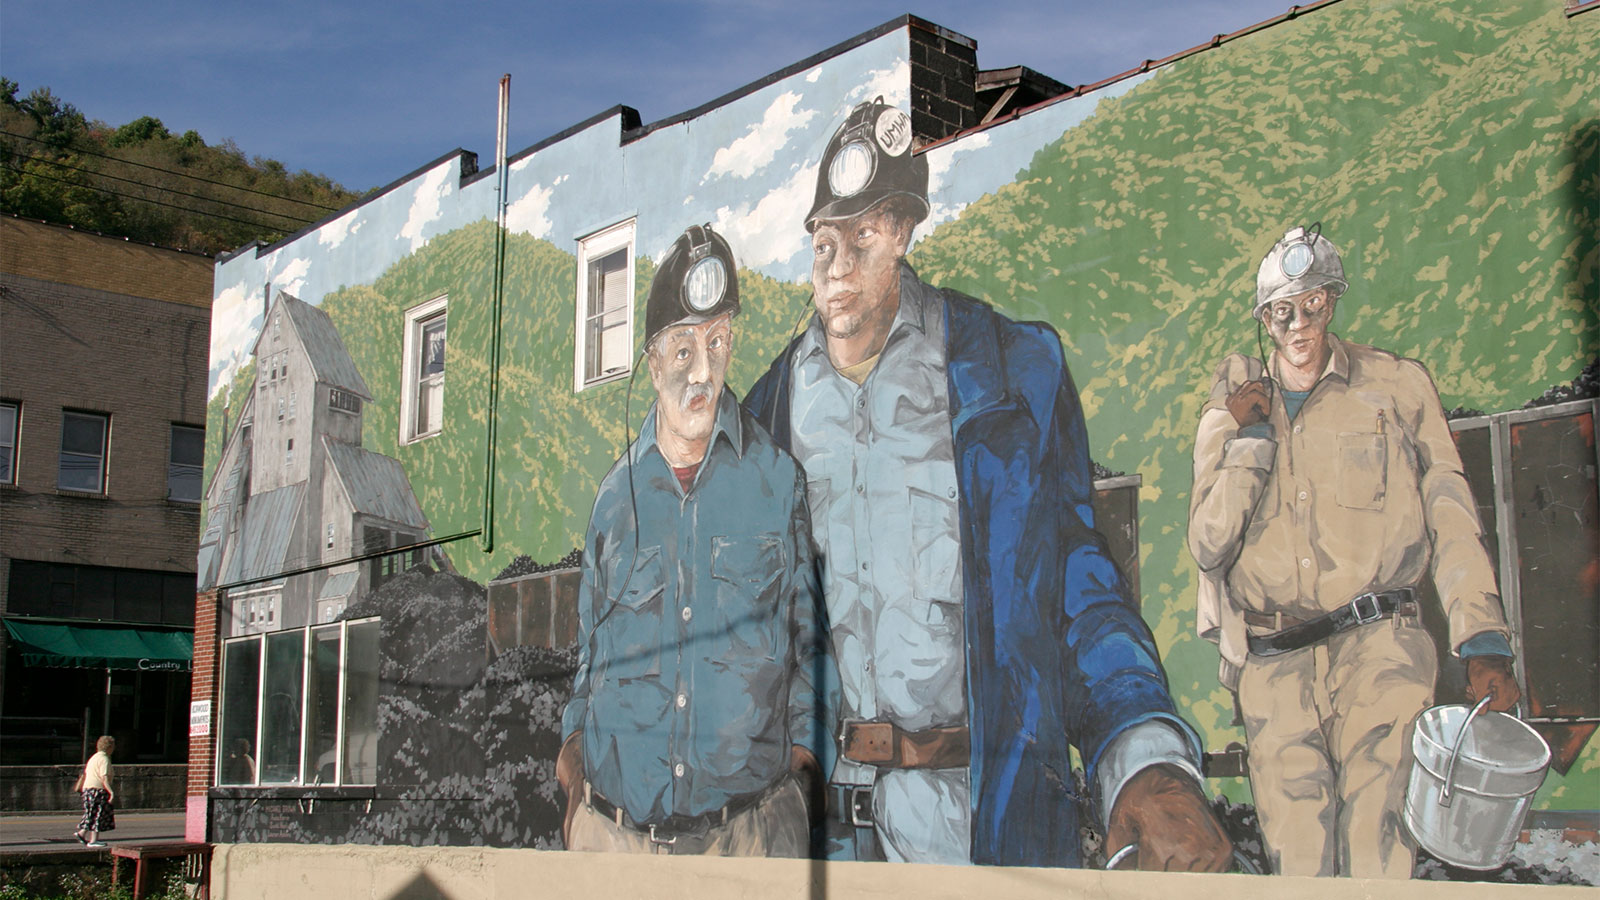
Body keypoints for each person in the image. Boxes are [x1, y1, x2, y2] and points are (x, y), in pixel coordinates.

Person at [745, 97, 1231, 869]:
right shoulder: (764, 416)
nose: (836, 267)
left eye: (861, 237)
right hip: (820, 841)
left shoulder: (1009, 376)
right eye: (822, 243)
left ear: (903, 231)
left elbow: (1077, 583)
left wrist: (1146, 761)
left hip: (980, 822)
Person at [1188, 224, 1521, 877]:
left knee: (1379, 857)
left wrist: (1482, 637)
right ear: (1265, 319)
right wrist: (1251, 440)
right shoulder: (1232, 409)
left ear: (1332, 302)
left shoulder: (1397, 386)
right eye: (1284, 311)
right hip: (1272, 665)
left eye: (1313, 304)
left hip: (1382, 651)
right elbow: (1208, 543)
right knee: (1299, 866)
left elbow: (1451, 510)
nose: (1300, 325)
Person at [557, 224, 836, 856]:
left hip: (750, 837)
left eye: (717, 343)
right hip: (614, 842)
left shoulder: (775, 482)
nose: (703, 371)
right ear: (652, 361)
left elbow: (811, 647)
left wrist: (802, 780)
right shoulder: (613, 500)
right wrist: (572, 769)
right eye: (684, 350)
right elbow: (589, 659)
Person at [74, 735, 116, 847]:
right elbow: (104, 777)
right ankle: (93, 840)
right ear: (110, 747)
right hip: (98, 790)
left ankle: (82, 834)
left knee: (91, 813)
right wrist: (111, 792)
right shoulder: (104, 759)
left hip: (88, 789)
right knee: (98, 814)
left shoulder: (93, 758)